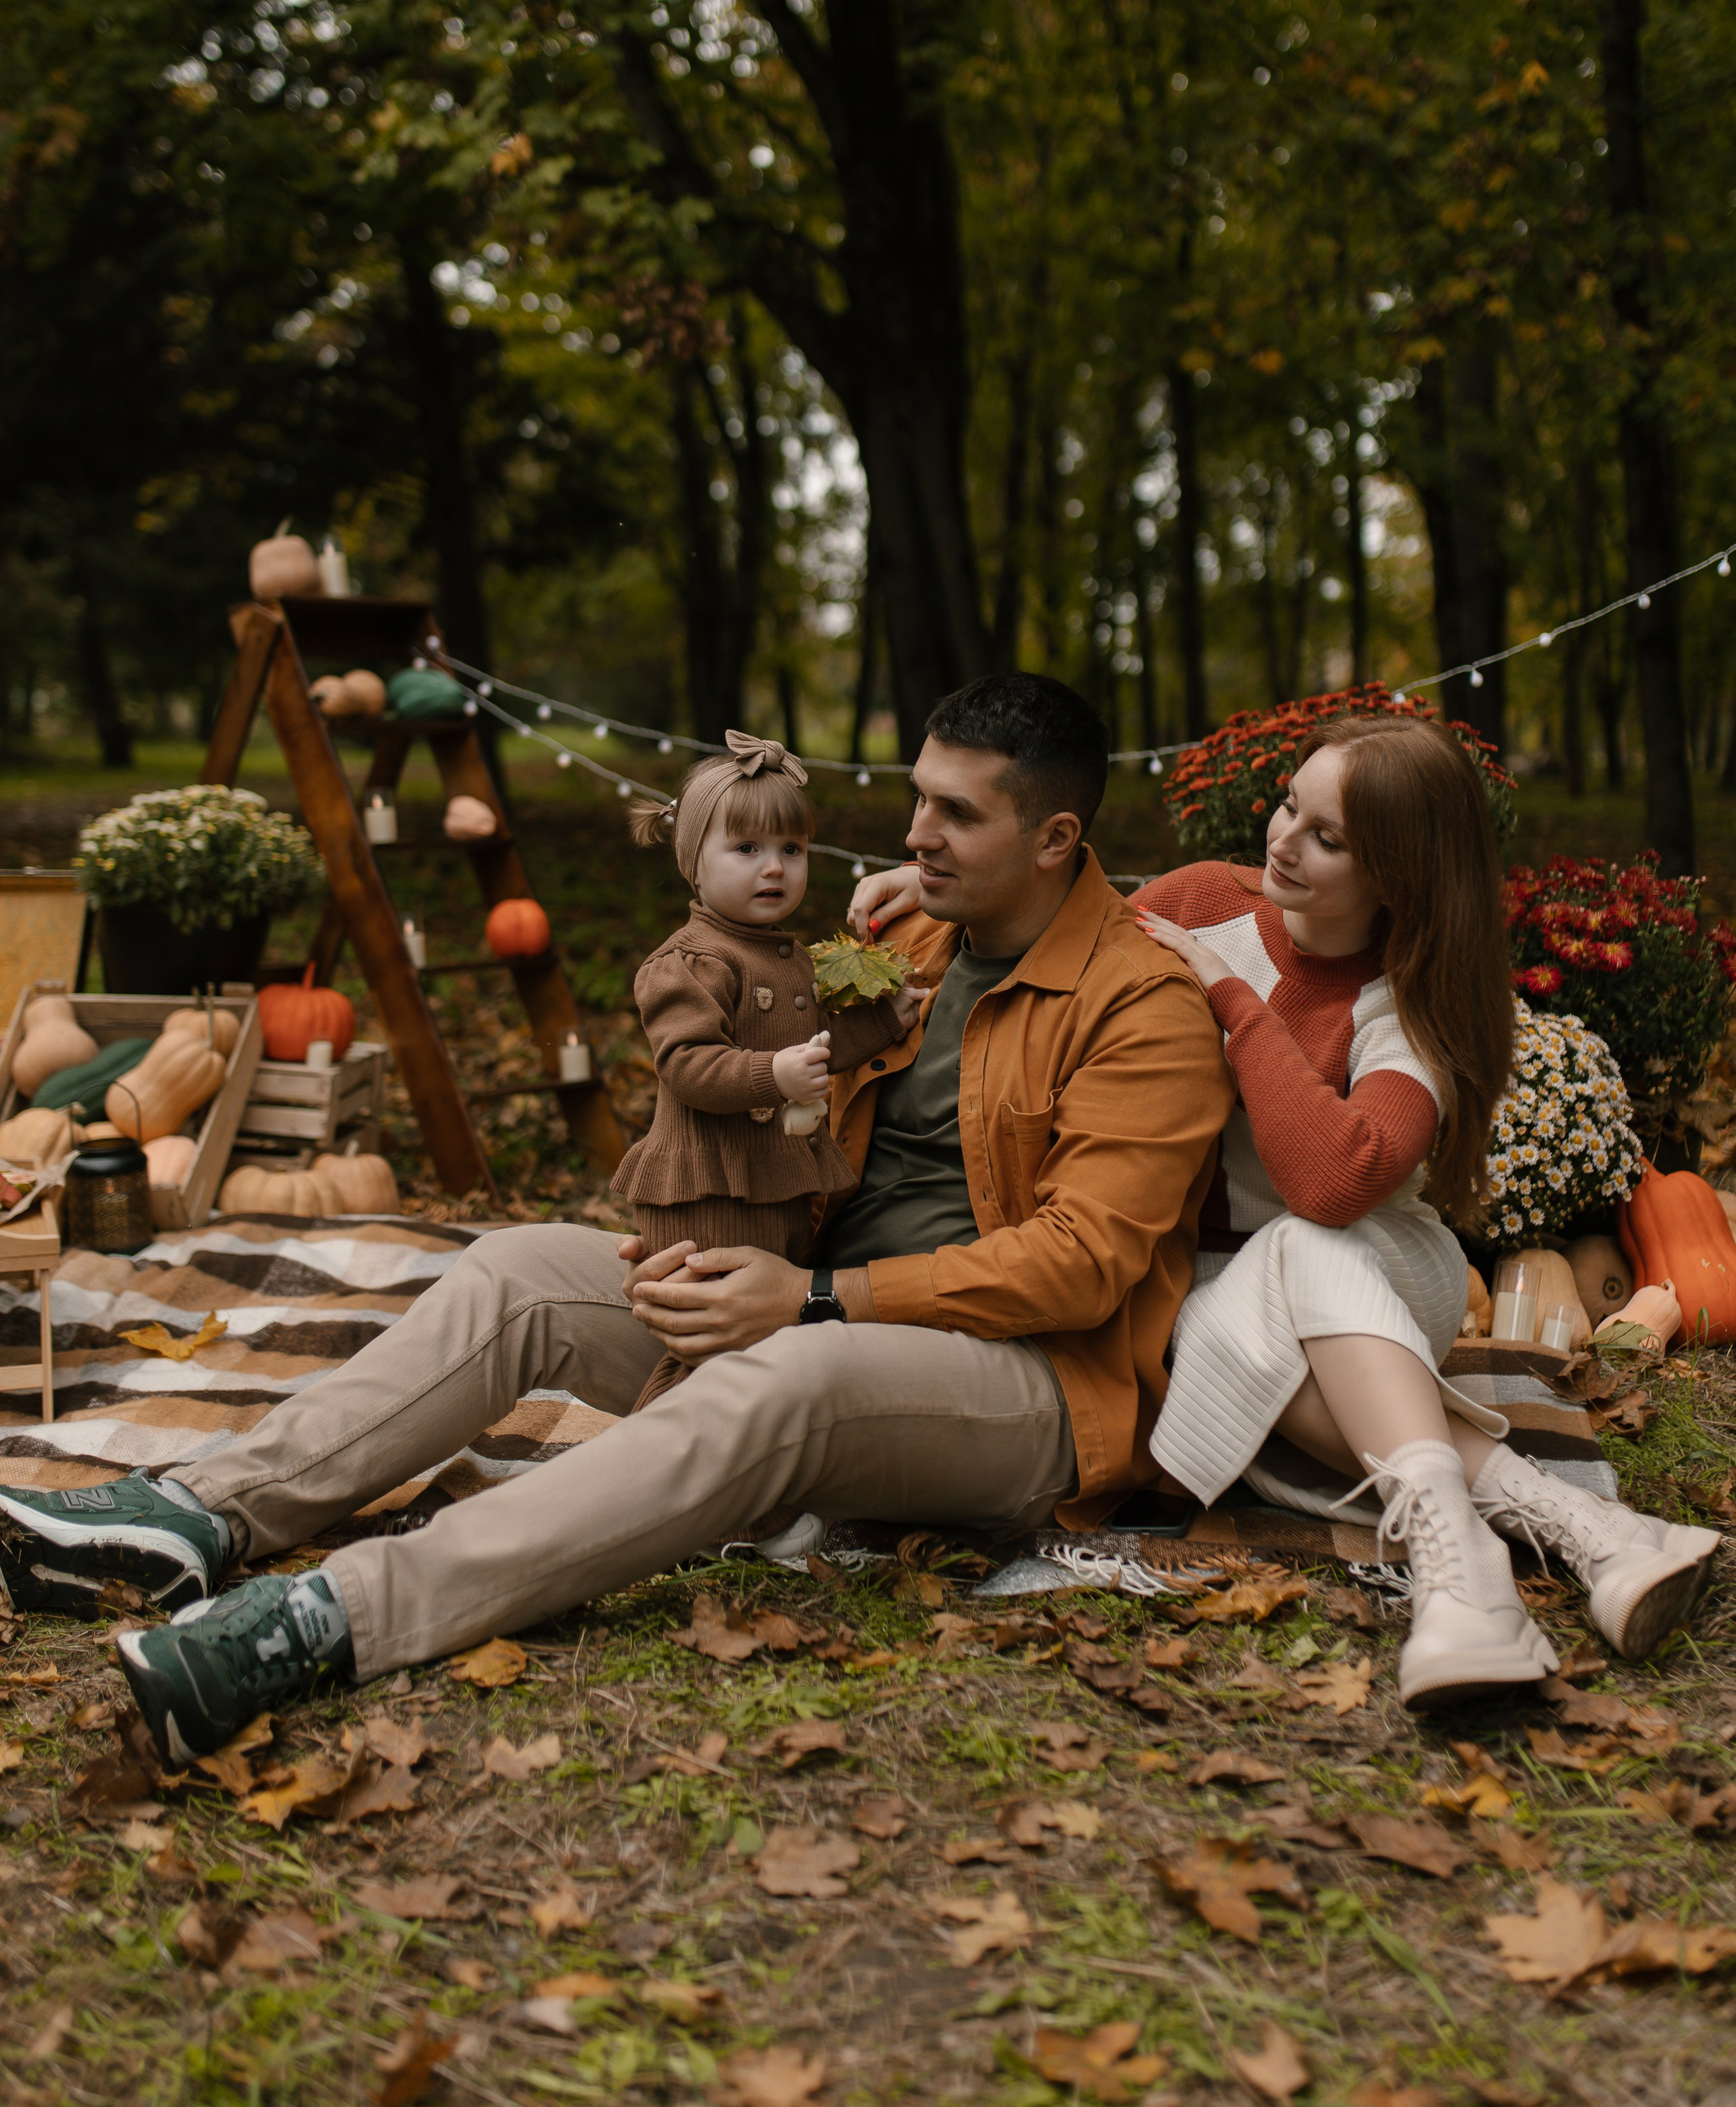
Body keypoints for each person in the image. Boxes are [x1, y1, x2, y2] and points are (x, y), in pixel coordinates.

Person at [0, 673, 1234, 1767]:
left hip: (1026, 1395)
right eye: (919, 801)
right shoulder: (911, 930)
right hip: (807, 1289)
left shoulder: (1143, 1008)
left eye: (958, 816)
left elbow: (1081, 1269)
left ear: (1059, 837)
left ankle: (336, 1616)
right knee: (522, 1265)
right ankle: (204, 1509)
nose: (916, 835)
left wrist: (806, 1301)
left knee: (782, 1383)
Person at [858, 710, 1720, 1710]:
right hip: (1211, 1284)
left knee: (1303, 1245)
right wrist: (928, 903)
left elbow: (1336, 1182)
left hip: (1377, 1267)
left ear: (1399, 875)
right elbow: (1051, 923)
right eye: (1286, 809)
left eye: (1328, 838)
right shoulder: (1200, 902)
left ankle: (1463, 1578)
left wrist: (1232, 1000)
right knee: (1220, 1348)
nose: (1282, 841)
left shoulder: (1410, 1005)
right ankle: (1592, 1534)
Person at [613, 729, 922, 1408]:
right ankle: (680, 1478)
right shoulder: (691, 962)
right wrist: (772, 1077)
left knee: (763, 1338)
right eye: (747, 849)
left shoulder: (786, 956)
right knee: (711, 1344)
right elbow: (687, 1066)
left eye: (792, 849)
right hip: (710, 1188)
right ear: (694, 861)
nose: (774, 868)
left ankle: (743, 1480)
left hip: (772, 1181)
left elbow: (812, 1044)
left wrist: (881, 1022)